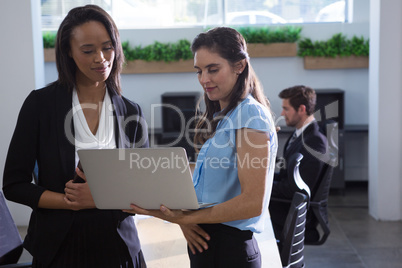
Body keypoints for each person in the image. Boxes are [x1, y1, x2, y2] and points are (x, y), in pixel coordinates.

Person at [2, 5, 148, 268]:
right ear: (68, 52)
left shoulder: (131, 112)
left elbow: (145, 186)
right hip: (59, 248)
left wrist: (101, 198)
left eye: (107, 47)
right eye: (88, 50)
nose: (101, 58)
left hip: (119, 247)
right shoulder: (40, 105)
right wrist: (69, 202)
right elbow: (14, 184)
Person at [124, 27, 278, 268]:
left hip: (229, 251)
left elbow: (252, 202)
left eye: (213, 69)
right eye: (199, 71)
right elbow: (215, 181)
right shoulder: (229, 114)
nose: (204, 79)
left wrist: (188, 218)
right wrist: (183, 219)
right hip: (212, 245)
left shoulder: (250, 114)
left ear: (239, 66)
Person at [269, 85, 328, 242]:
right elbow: (286, 173)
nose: (282, 113)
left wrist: (263, 186)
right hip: (288, 204)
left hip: (295, 213)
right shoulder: (299, 135)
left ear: (301, 109)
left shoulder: (314, 142)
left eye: (286, 109)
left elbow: (296, 189)